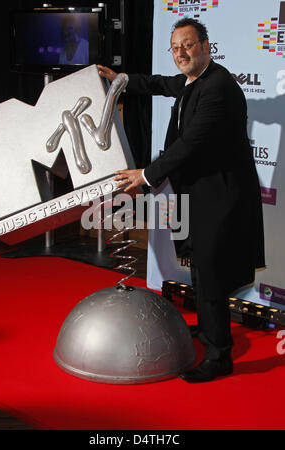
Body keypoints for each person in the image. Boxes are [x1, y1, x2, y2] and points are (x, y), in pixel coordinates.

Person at [98, 18, 265, 383]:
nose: (181, 54)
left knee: (211, 272)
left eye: (188, 45)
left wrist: (144, 176)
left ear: (206, 46)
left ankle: (220, 356)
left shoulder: (218, 87)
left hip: (221, 196)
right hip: (201, 193)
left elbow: (191, 145)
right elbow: (160, 83)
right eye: (175, 48)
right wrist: (121, 80)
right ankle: (208, 332)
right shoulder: (194, 80)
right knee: (203, 271)